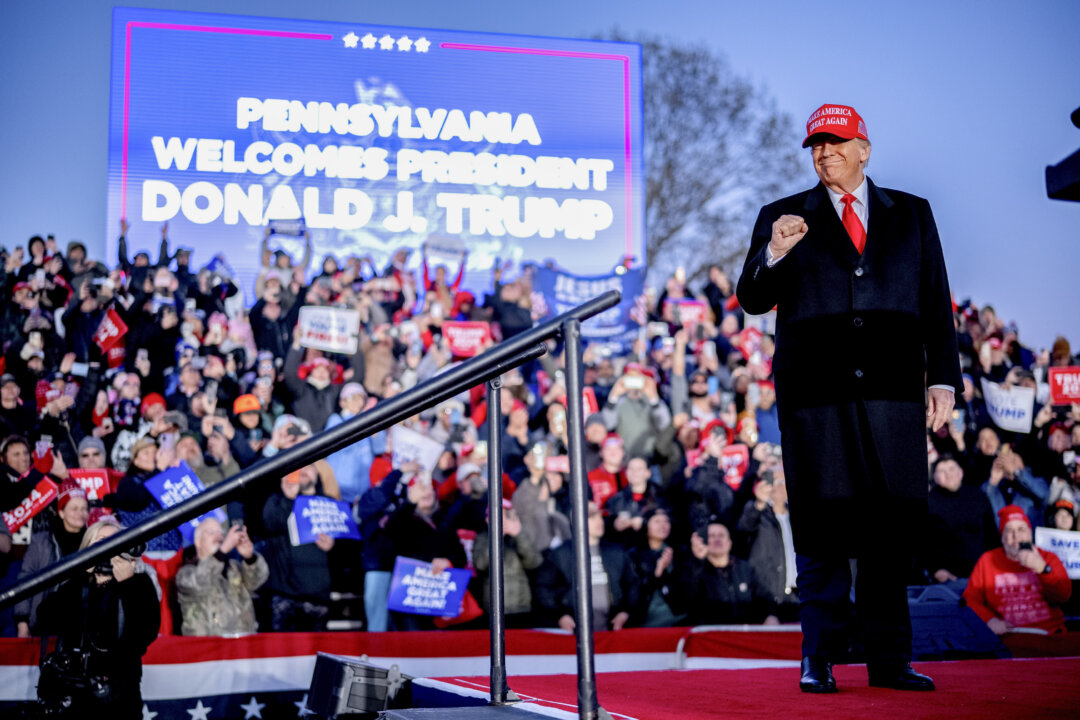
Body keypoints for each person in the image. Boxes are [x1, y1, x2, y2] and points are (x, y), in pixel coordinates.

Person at [736, 104, 961, 693]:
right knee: (823, 534)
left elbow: (936, 298)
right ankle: (820, 658)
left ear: (865, 148)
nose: (825, 153)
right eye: (816, 145)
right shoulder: (782, 217)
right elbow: (752, 299)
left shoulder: (912, 214)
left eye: (837, 143)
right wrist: (775, 254)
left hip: (894, 403)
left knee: (890, 533)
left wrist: (943, 376)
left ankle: (890, 662)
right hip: (817, 406)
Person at [35, 517, 160, 719]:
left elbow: (146, 633)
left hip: (120, 694)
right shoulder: (76, 583)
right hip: (74, 691)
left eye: (116, 542)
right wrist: (82, 575)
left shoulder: (140, 583)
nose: (109, 549)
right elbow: (44, 619)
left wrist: (128, 585)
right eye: (101, 542)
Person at [963, 505, 1071, 635]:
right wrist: (989, 620)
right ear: (1002, 537)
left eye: (1021, 529)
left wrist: (1042, 569)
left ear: (1030, 533)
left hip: (1049, 634)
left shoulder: (1048, 557)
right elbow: (970, 599)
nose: (1016, 536)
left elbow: (1063, 596)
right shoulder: (987, 560)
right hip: (1008, 636)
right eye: (1009, 530)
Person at [175, 518, 269, 636]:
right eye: (211, 532)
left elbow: (256, 581)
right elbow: (200, 582)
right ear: (198, 542)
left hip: (242, 644)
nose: (218, 536)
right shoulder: (186, 573)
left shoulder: (234, 567)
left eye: (221, 533)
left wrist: (249, 557)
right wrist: (222, 551)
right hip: (206, 648)